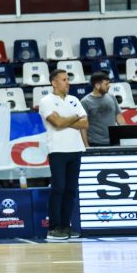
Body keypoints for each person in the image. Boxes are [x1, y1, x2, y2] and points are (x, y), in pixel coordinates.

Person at [38, 68, 88, 242]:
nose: (68, 82)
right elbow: (57, 123)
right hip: (57, 150)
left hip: (76, 149)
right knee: (58, 188)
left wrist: (66, 119)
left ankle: (66, 226)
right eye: (64, 79)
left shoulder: (74, 99)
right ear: (54, 83)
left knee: (70, 190)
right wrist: (75, 117)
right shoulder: (46, 101)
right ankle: (53, 228)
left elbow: (85, 123)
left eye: (68, 79)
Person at [80, 71, 126, 147]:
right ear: (97, 85)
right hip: (95, 143)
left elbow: (119, 118)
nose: (109, 86)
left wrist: (126, 138)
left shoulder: (112, 97)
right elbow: (83, 127)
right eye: (106, 84)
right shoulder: (85, 102)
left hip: (114, 142)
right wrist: (86, 146)